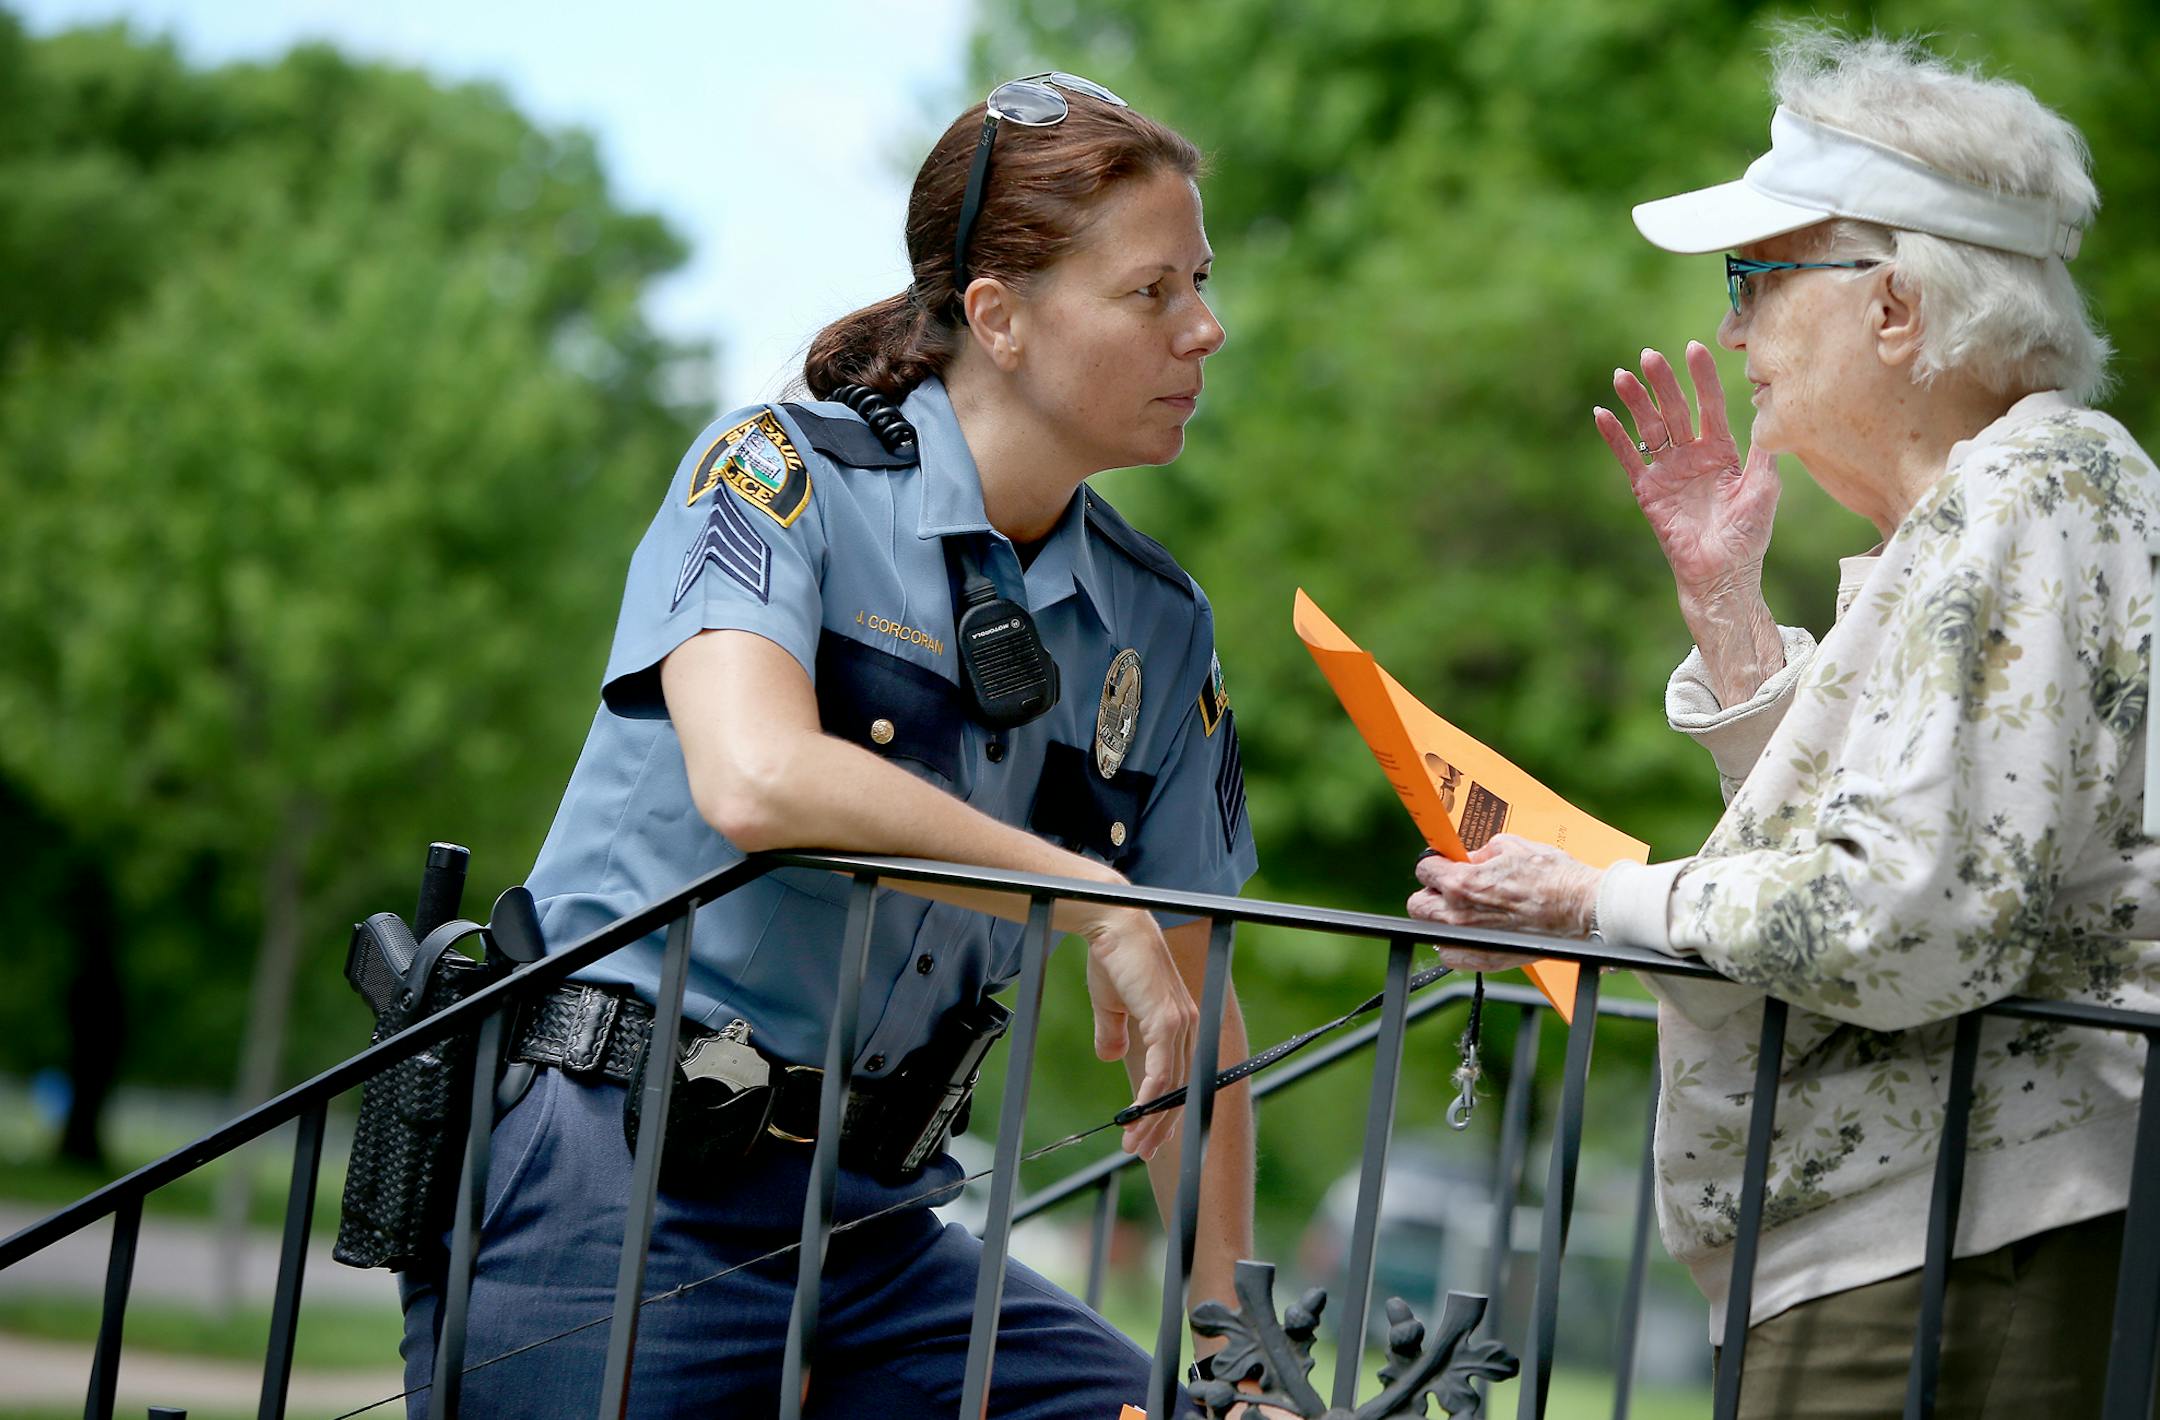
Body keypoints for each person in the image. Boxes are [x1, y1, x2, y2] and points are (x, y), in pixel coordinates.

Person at [397, 72, 1258, 1418]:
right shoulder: (770, 474)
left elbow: (1193, 1014)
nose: (1206, 329)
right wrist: (1084, 894)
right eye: (1154, 293)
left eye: (1200, 283)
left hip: (880, 1229)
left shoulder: (1163, 624)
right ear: (1000, 317)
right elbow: (755, 776)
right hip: (621, 1187)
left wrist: (1237, 1348)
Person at [1406, 31, 2158, 1417]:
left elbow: (1911, 913)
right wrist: (1730, 614)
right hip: (1918, 1235)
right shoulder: (1991, 513)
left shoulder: (2032, 496)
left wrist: (1598, 905)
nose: (1734, 326)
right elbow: (1910, 837)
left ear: (1895, 310)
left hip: (1960, 1244)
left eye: (1756, 279)